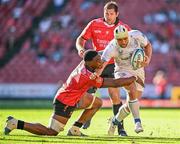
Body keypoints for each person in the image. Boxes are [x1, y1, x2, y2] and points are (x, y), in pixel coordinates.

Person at [4, 50, 143, 137]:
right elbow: (114, 83)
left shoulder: (84, 64)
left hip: (75, 96)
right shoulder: (88, 76)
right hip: (65, 102)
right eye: (98, 61)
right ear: (90, 63)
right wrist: (133, 77)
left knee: (98, 103)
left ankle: (75, 129)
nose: (101, 62)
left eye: (100, 59)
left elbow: (99, 53)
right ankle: (16, 123)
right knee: (52, 131)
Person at [76, 1, 131, 136]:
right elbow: (81, 39)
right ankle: (86, 117)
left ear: (117, 14)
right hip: (97, 64)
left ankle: (120, 128)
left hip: (113, 65)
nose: (108, 16)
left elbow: (131, 45)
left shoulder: (124, 28)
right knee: (87, 96)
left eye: (111, 14)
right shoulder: (94, 24)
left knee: (115, 96)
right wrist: (81, 49)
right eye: (106, 13)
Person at [96, 25, 152, 134]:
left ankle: (114, 121)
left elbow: (148, 45)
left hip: (138, 68)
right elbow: (102, 65)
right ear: (115, 39)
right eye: (120, 39)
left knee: (131, 102)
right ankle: (137, 122)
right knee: (131, 89)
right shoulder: (111, 47)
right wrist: (95, 76)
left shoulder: (136, 35)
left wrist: (148, 59)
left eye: (125, 38)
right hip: (122, 70)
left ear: (128, 35)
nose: (123, 41)